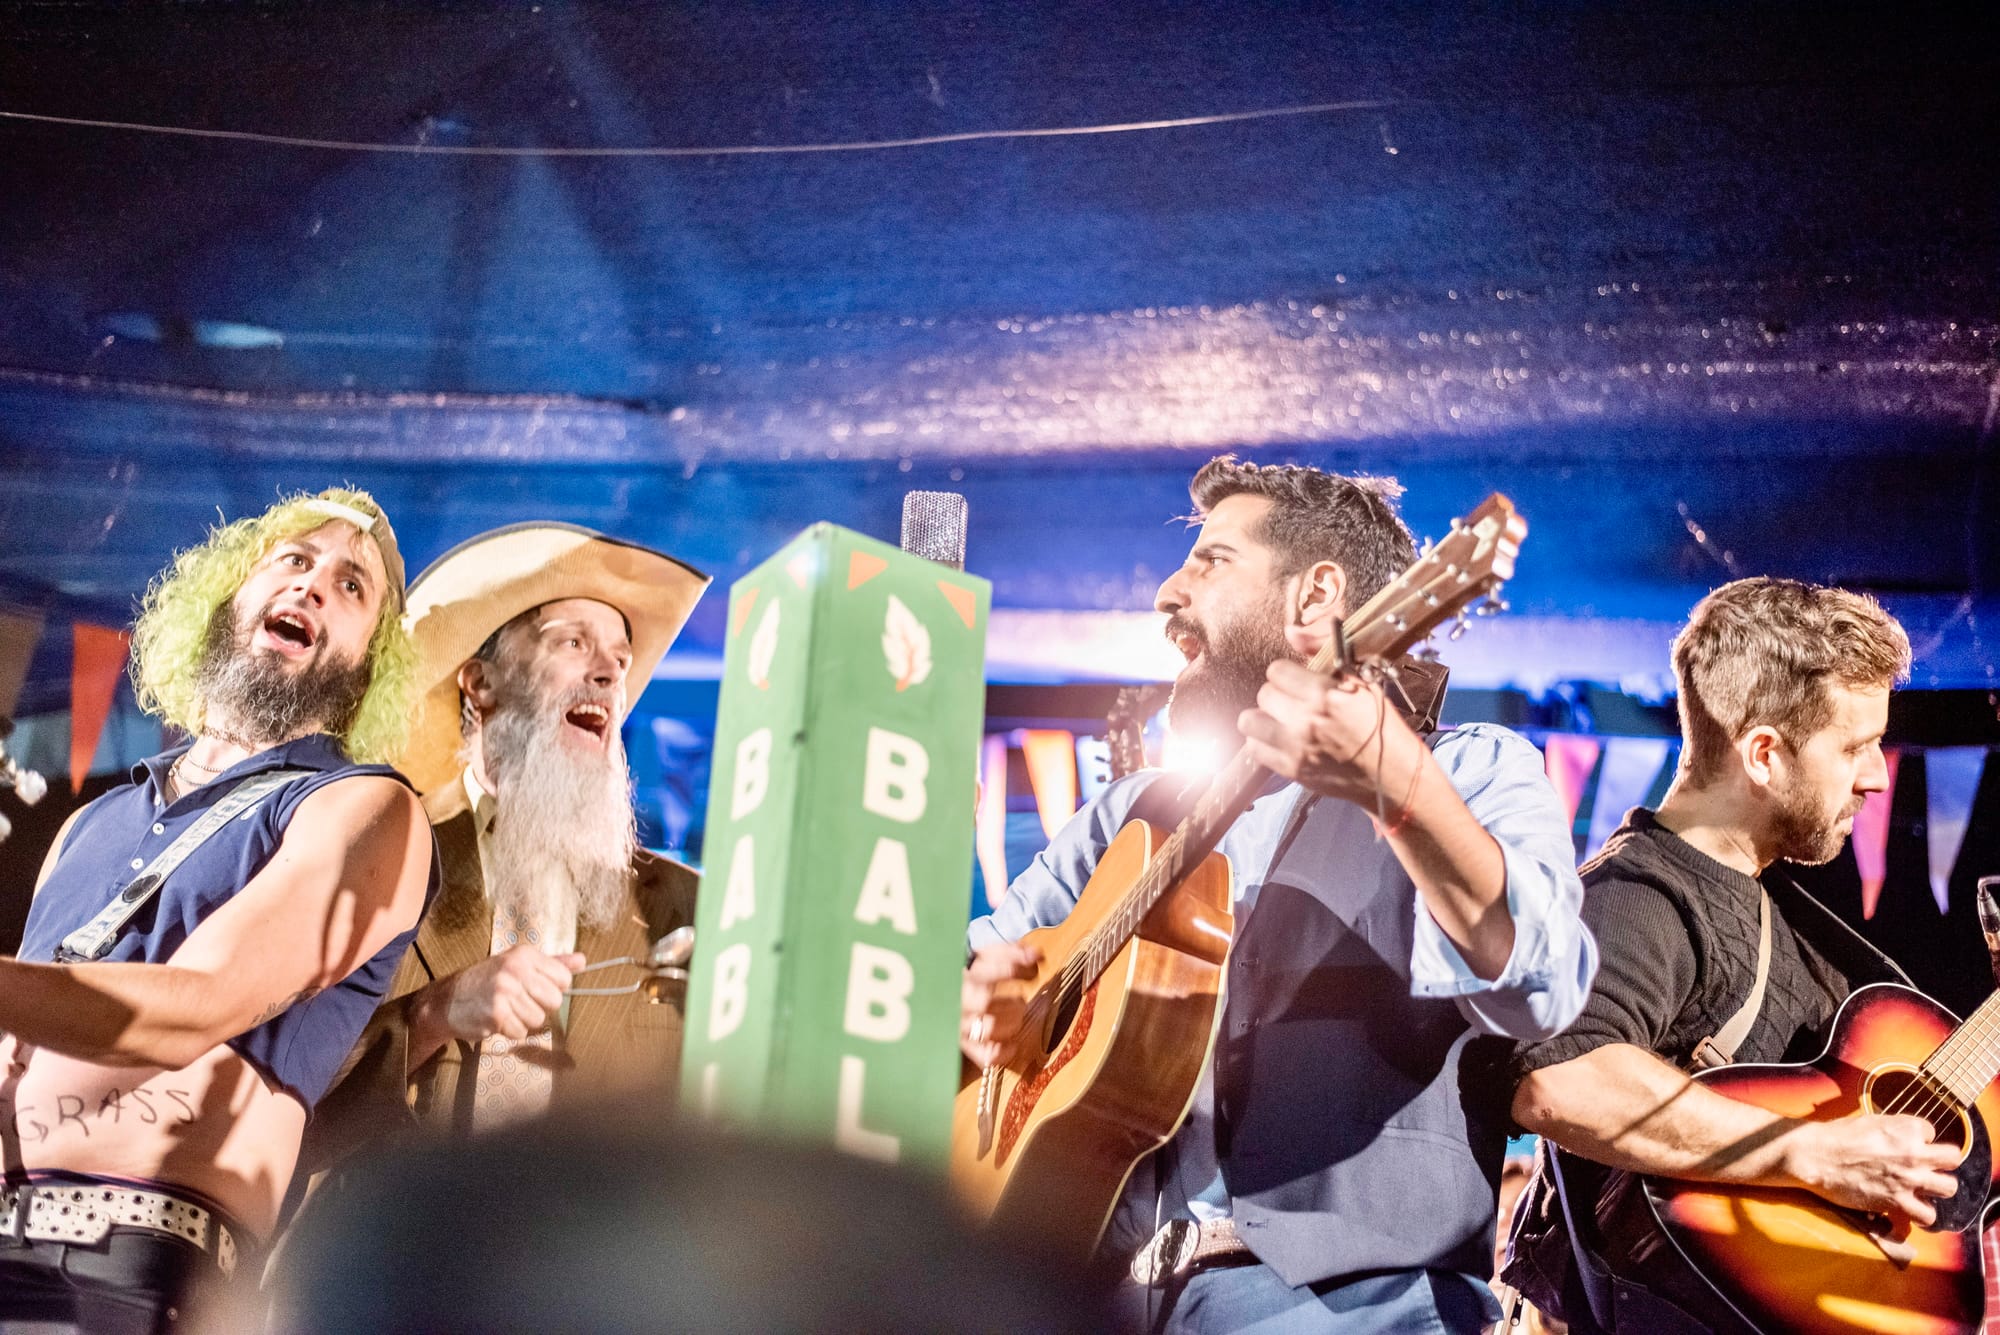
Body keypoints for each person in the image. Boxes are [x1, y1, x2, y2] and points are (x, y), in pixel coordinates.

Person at [961, 456, 1597, 1333]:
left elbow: (1549, 986)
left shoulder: (1470, 769)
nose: (1165, 593)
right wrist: (980, 1002)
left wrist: (1396, 779)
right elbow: (970, 970)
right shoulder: (1130, 815)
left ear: (1316, 597)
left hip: (1355, 1312)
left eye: (1212, 560)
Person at [0, 489, 437, 1332]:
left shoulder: (363, 809)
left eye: (354, 586)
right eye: (294, 560)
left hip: (134, 1268)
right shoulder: (91, 821)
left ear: (370, 666)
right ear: (228, 593)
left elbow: (195, 1008)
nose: (314, 586)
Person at [1504, 577, 1950, 1333]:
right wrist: (1810, 1152)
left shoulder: (1776, 907)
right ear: (1765, 754)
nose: (1877, 776)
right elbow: (1559, 1077)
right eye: (1854, 747)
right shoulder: (1636, 893)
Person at [305, 523, 709, 1158]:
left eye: (621, 659)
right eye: (573, 642)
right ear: (480, 682)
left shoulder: (685, 910)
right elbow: (268, 1094)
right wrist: (431, 1015)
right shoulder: (367, 859)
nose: (608, 673)